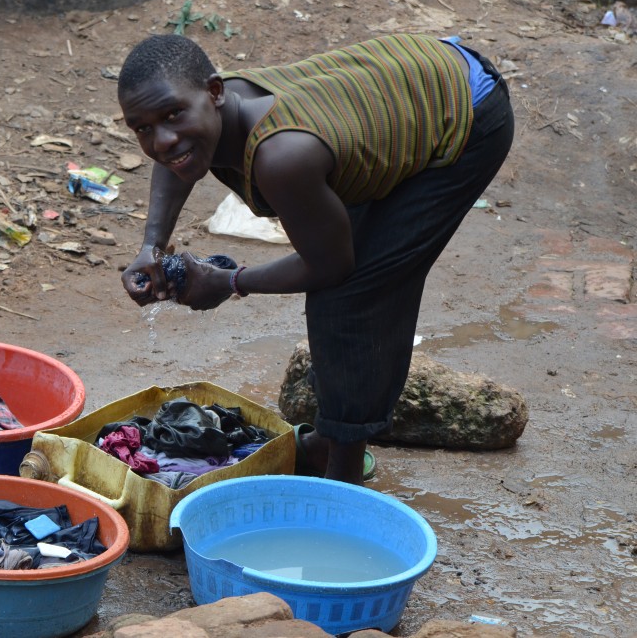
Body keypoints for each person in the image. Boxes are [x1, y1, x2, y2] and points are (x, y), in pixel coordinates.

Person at [116, 32, 514, 485]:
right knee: (351, 266)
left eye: (172, 115)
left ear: (215, 92)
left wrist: (228, 282)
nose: (162, 140)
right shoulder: (217, 114)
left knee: (351, 297)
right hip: (414, 75)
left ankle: (339, 476)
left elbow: (331, 266)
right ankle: (332, 444)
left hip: (467, 112)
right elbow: (174, 156)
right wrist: (152, 245)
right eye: (143, 128)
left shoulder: (282, 157)